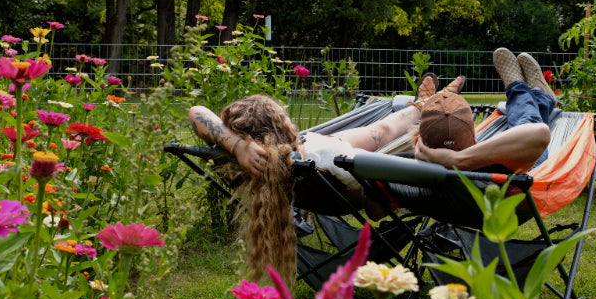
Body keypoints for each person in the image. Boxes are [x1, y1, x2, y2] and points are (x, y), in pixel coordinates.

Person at [187, 73, 463, 284]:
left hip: (310, 160)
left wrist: (237, 145)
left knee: (380, 128)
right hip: (339, 164)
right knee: (385, 129)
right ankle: (427, 107)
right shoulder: (324, 156)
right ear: (281, 127)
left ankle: (423, 104)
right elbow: (373, 204)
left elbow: (196, 112)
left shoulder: (241, 159)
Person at [414, 48, 556, 174]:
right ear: (475, 142)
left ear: (419, 142)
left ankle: (541, 98)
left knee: (526, 121)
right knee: (525, 122)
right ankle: (521, 90)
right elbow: (539, 132)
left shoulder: (405, 168)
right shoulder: (493, 169)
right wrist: (457, 160)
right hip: (527, 171)